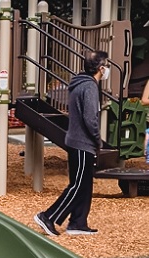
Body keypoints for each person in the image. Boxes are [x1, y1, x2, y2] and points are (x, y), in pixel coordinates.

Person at [34, 50, 109, 236]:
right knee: (78, 185)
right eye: (106, 65)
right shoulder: (90, 87)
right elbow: (90, 117)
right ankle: (48, 216)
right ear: (100, 68)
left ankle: (78, 222)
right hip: (83, 142)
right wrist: (98, 140)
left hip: (75, 140)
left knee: (84, 183)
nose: (107, 69)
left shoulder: (79, 83)